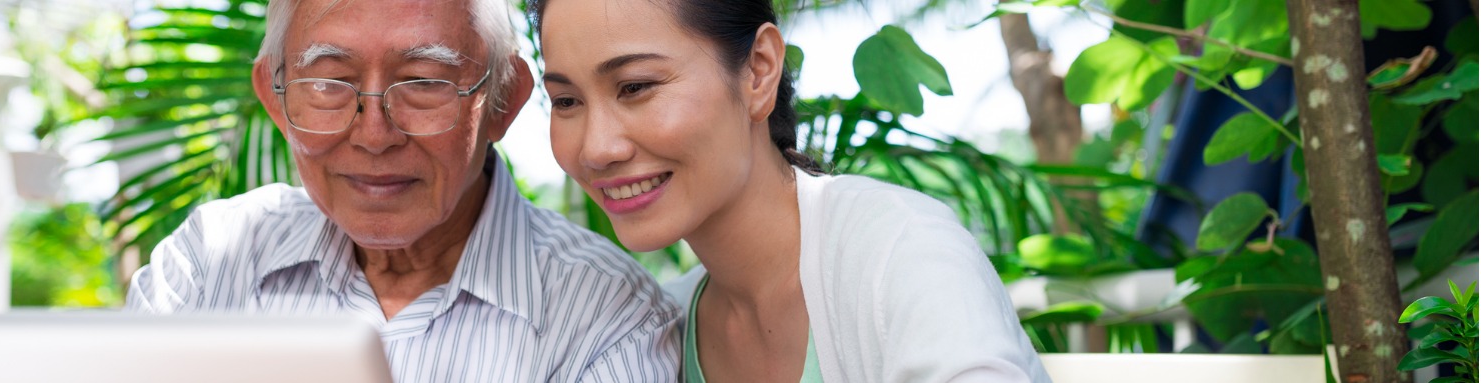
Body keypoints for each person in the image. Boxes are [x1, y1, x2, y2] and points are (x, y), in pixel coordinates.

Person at [124, 0, 682, 381]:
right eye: (328, 82)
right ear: (276, 100)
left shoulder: (607, 320)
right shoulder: (208, 263)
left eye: (424, 83)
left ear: (503, 101)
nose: (373, 135)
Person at [529, 0, 1051, 381]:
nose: (596, 149)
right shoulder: (662, 328)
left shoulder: (901, 254)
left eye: (636, 86)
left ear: (758, 72)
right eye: (567, 101)